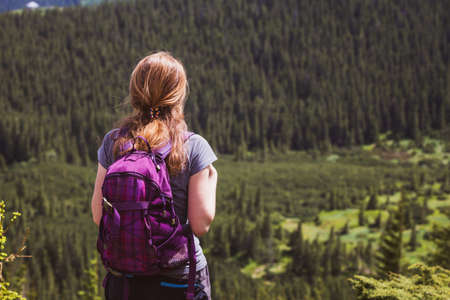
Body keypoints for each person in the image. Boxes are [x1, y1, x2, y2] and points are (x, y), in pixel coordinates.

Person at [91, 51, 218, 300]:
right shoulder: (194, 146)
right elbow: (201, 224)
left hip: (126, 281)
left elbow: (99, 216)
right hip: (179, 281)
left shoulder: (113, 142)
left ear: (135, 92)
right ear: (178, 95)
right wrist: (212, 182)